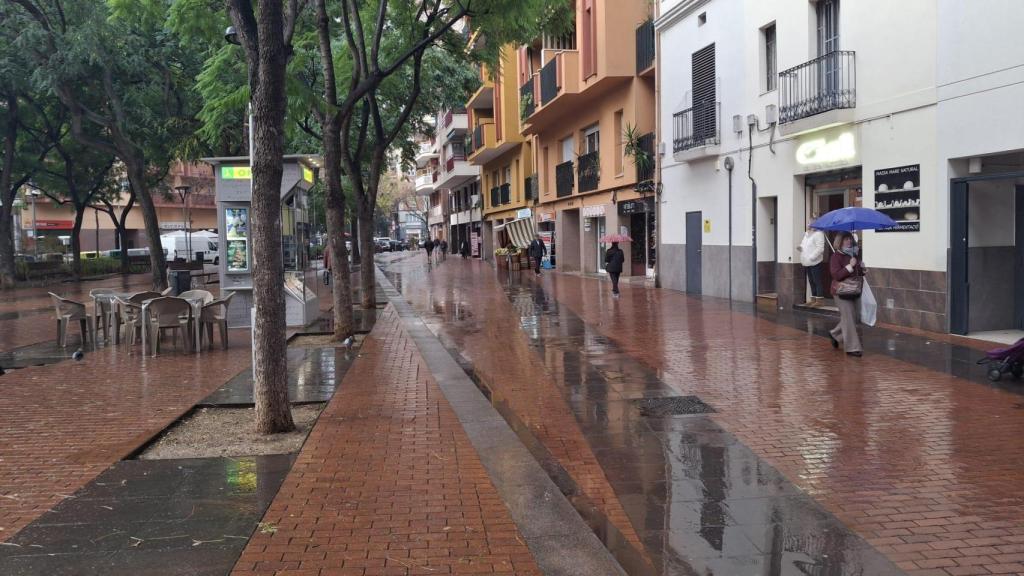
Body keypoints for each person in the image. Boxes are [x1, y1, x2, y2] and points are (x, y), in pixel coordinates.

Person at [829, 231, 865, 357]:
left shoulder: (854, 254)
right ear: (840, 242)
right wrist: (850, 266)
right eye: (846, 239)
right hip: (840, 291)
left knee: (853, 317)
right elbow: (836, 275)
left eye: (850, 239)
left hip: (854, 290)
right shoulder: (836, 257)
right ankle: (852, 347)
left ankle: (835, 334)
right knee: (849, 317)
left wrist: (862, 268)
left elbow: (857, 273)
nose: (849, 241)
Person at [797, 223, 827, 306]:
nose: (808, 225)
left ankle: (819, 300)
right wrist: (800, 248)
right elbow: (804, 245)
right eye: (808, 224)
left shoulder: (819, 234)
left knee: (817, 281)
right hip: (807, 262)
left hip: (815, 262)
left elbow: (820, 248)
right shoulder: (807, 234)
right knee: (811, 281)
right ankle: (813, 299)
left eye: (810, 224)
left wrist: (812, 257)